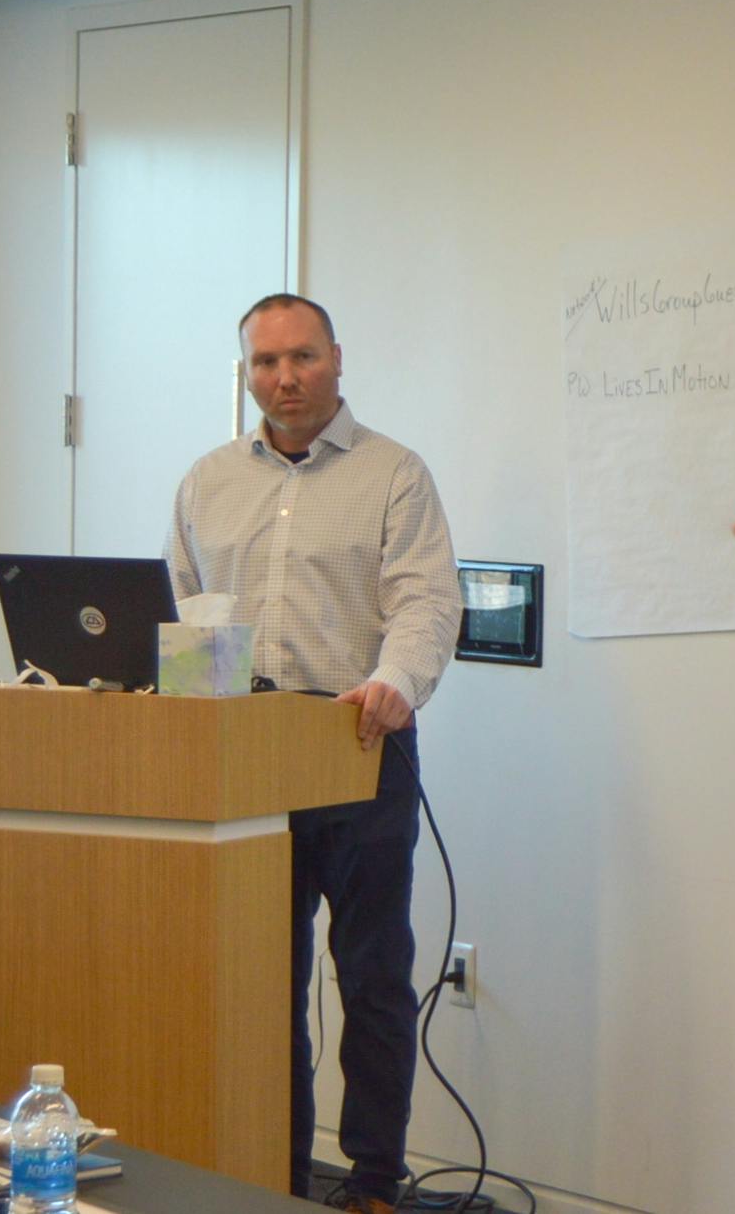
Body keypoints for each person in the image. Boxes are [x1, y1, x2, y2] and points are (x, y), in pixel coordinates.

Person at [166, 293, 462, 1214]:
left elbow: (426, 603)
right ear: (245, 373)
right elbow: (183, 607)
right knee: (263, 990)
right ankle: (274, 1180)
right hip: (245, 769)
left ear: (337, 359)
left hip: (358, 749)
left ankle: (374, 1184)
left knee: (372, 983)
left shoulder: (393, 475)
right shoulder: (207, 482)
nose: (284, 378)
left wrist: (396, 682)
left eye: (301, 358)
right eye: (264, 363)